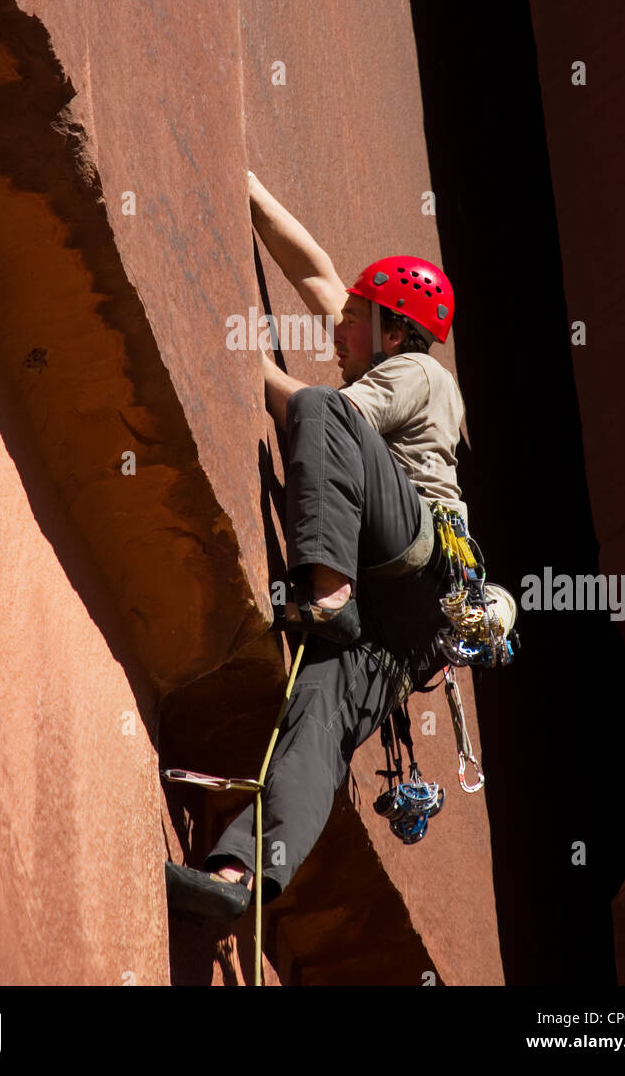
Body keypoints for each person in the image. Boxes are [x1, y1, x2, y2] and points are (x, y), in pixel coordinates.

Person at [165, 172, 468, 921]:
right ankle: (238, 876)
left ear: (395, 332)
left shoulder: (416, 373)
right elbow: (316, 273)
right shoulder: (387, 347)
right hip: (397, 633)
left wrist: (226, 351)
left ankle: (325, 591)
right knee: (314, 729)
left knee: (322, 409)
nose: (336, 330)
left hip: (413, 564)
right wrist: (247, 188)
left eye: (355, 320)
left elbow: (316, 413)